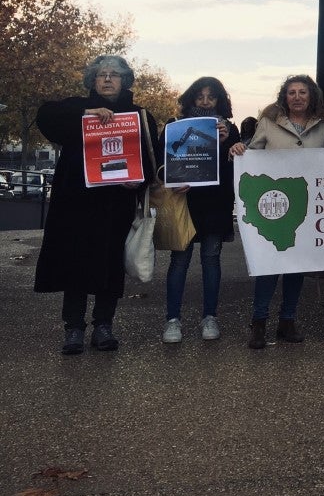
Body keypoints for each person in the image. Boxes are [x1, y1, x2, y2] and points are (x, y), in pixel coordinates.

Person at [35, 55, 158, 355]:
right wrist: (85, 111)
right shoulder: (77, 107)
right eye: (101, 74)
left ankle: (104, 324)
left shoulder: (139, 115)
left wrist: (139, 181)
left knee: (109, 264)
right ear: (92, 80)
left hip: (115, 203)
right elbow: (45, 116)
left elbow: (150, 158)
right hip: (76, 202)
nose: (107, 79)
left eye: (114, 74)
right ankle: (74, 327)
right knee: (75, 264)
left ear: (125, 80)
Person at [229, 74, 324, 349]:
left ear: (311, 95)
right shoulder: (268, 122)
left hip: (306, 203)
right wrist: (239, 149)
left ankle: (288, 320)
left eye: (302, 92)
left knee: (296, 265)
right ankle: (259, 322)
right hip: (274, 205)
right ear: (284, 97)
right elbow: (252, 156)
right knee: (269, 264)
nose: (297, 97)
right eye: (292, 92)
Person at [162, 77, 240, 344]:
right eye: (200, 97)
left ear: (220, 100)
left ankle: (210, 316)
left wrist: (228, 143)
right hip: (184, 203)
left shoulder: (229, 128)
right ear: (191, 99)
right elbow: (163, 162)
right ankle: (173, 319)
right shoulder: (174, 126)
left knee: (211, 259)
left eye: (211, 97)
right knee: (179, 261)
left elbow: (233, 169)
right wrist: (172, 181)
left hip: (215, 204)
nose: (206, 102)